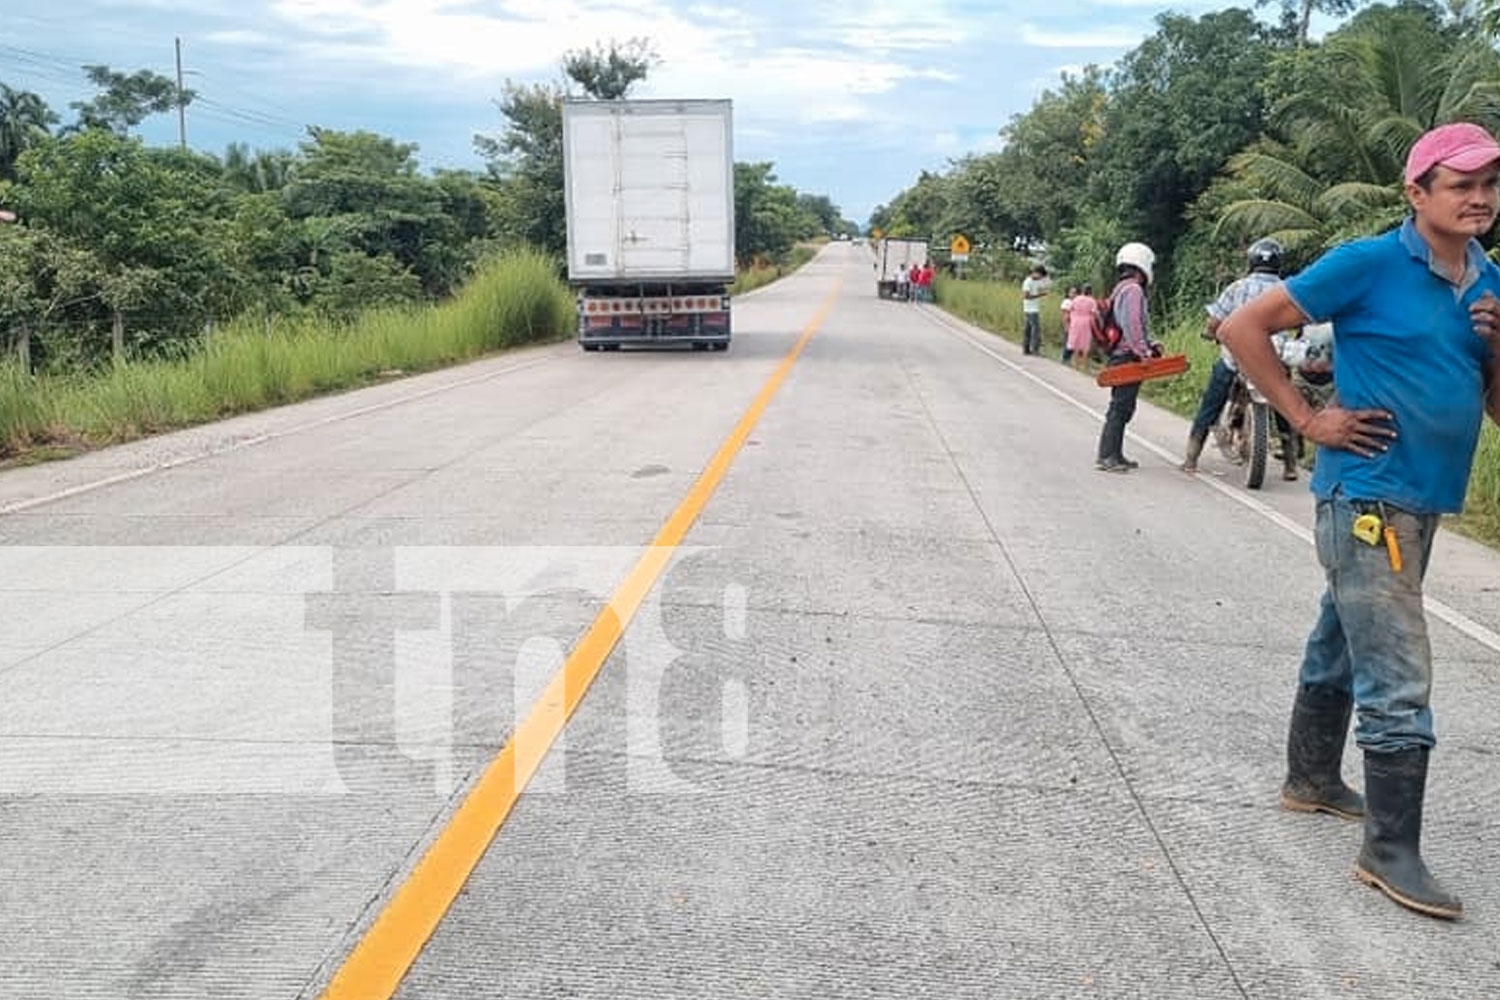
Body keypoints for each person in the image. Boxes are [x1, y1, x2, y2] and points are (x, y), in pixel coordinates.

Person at [1219, 122, 1500, 921]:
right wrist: (1307, 419)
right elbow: (1243, 328)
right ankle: (1389, 849)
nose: (1479, 199)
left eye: (1490, 185)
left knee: (1342, 640)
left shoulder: (1490, 282)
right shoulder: (1370, 262)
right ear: (1417, 194)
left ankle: (1310, 780)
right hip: (1367, 495)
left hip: (1427, 497)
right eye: (1460, 184)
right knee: (1399, 670)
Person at [1183, 238, 1298, 479]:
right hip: (1274, 360)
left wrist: (1211, 333)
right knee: (1286, 404)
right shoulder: (1288, 289)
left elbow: (1214, 322)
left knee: (1211, 402)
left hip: (1237, 357)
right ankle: (1290, 464)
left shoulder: (1237, 288)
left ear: (1252, 261)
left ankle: (1191, 457)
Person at [1095, 243, 1159, 472]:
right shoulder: (1133, 290)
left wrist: (1151, 344)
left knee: (1123, 406)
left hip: (1119, 355)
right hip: (1127, 356)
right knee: (1120, 407)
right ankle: (1107, 456)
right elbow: (1132, 325)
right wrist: (1144, 352)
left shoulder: (1120, 288)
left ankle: (1115, 453)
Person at [1066, 283, 1098, 372]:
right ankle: (1084, 367)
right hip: (1086, 322)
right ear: (1090, 291)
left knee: (1076, 343)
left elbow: (1070, 309)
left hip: (1075, 321)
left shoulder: (1076, 299)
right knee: (1085, 344)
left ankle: (1076, 365)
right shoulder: (1092, 300)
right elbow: (1094, 313)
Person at [1021, 264, 1049, 354]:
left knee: (1028, 330)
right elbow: (1026, 296)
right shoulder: (1027, 282)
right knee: (1035, 330)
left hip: (1033, 308)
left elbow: (1041, 287)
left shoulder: (1036, 281)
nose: (1041, 278)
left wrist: (1042, 290)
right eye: (1040, 275)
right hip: (1031, 309)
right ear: (1036, 273)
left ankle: (1026, 349)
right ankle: (1035, 349)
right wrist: (1040, 295)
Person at [1060, 286, 1077, 362]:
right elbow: (1065, 315)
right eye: (1072, 292)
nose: (1074, 294)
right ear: (1068, 293)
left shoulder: (1076, 302)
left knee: (1072, 343)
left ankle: (1068, 359)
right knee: (1068, 343)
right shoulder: (1067, 302)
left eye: (1075, 293)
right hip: (1068, 325)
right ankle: (1065, 359)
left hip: (1074, 326)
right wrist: (1066, 326)